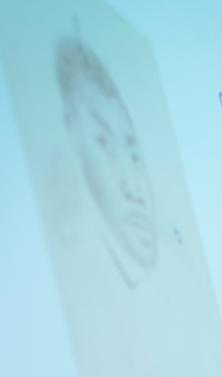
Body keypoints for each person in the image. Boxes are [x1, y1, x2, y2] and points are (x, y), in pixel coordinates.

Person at [58, 35, 157, 288]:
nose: (134, 190)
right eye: (104, 144)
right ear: (73, 139)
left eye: (135, 156)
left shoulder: (184, 277)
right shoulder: (71, 271)